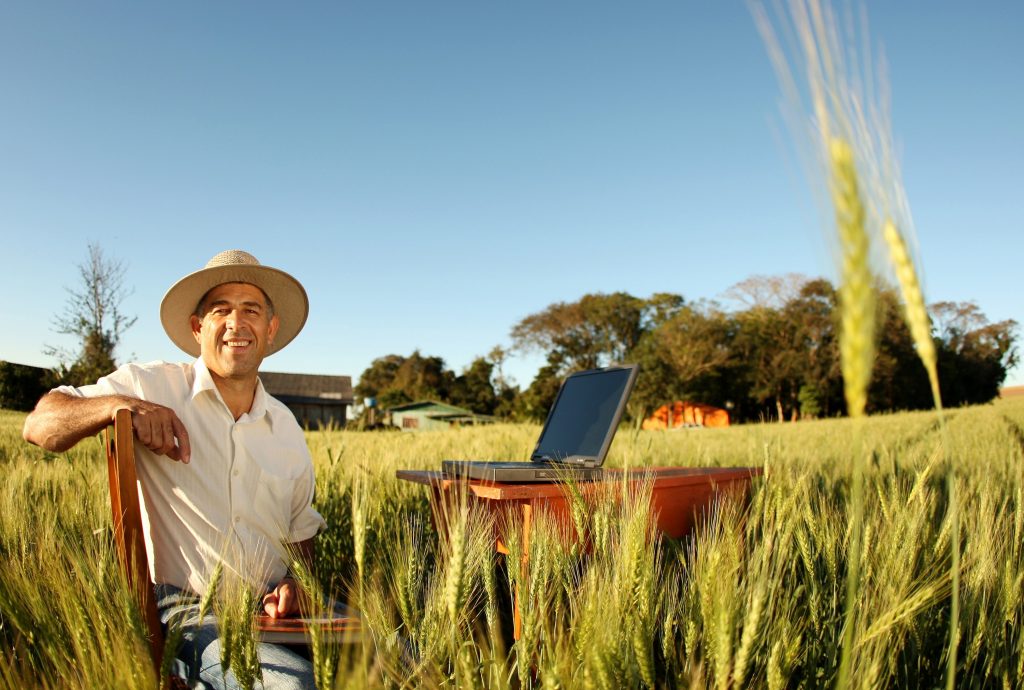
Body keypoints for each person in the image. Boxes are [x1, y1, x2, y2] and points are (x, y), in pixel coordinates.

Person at [23, 249, 324, 689]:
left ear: (270, 329)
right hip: (190, 610)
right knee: (291, 686)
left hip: (273, 613)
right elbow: (41, 425)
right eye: (221, 310)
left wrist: (297, 585)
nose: (236, 324)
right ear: (198, 327)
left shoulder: (287, 429)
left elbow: (301, 540)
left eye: (251, 311)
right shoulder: (152, 385)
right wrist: (122, 404)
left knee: (404, 657)